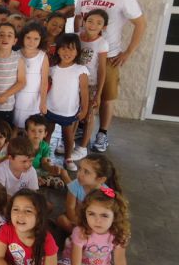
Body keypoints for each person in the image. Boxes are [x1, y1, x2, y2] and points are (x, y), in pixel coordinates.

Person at [74, 0, 146, 153]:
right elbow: (79, 18)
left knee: (105, 96)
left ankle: (102, 133)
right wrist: (76, 45)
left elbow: (140, 24)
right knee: (81, 95)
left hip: (109, 55)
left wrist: (128, 52)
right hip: (83, 56)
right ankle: (81, 127)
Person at [57, 188, 145, 265]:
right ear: (85, 213)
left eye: (104, 215)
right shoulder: (81, 231)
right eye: (91, 213)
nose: (97, 220)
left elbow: (120, 261)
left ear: (115, 216)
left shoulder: (119, 233)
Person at [46, 34, 89, 172]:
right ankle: (45, 156)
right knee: (47, 132)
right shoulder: (52, 69)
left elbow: (84, 92)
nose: (67, 52)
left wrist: (84, 110)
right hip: (50, 107)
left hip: (68, 110)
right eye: (63, 48)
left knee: (68, 135)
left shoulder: (80, 70)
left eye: (71, 49)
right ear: (57, 50)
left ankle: (68, 158)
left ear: (77, 52)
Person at [74, 9, 109, 160]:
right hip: (73, 83)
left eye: (99, 23)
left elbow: (102, 69)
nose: (93, 25)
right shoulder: (76, 38)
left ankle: (82, 147)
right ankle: (66, 141)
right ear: (83, 21)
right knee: (72, 113)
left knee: (88, 115)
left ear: (104, 27)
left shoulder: (102, 43)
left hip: (91, 85)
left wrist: (99, 94)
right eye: (90, 21)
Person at [56, 154, 122, 233]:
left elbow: (109, 215)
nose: (80, 174)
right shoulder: (75, 185)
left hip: (96, 221)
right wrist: (81, 225)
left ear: (100, 179)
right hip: (78, 219)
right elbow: (70, 208)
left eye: (86, 172)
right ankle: (81, 237)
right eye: (80, 169)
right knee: (62, 220)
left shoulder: (106, 192)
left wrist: (95, 226)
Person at [0, 23, 26, 126]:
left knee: (3, 134)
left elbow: (21, 82)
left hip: (7, 106)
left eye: (9, 35)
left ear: (15, 41)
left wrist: (5, 96)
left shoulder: (18, 59)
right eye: (1, 35)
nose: (5, 38)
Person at [13, 22, 49, 129]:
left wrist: (42, 102)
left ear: (40, 40)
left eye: (36, 39)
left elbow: (44, 82)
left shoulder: (42, 56)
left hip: (34, 98)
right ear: (22, 37)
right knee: (16, 125)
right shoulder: (16, 54)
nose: (31, 42)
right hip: (17, 96)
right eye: (28, 37)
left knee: (31, 127)